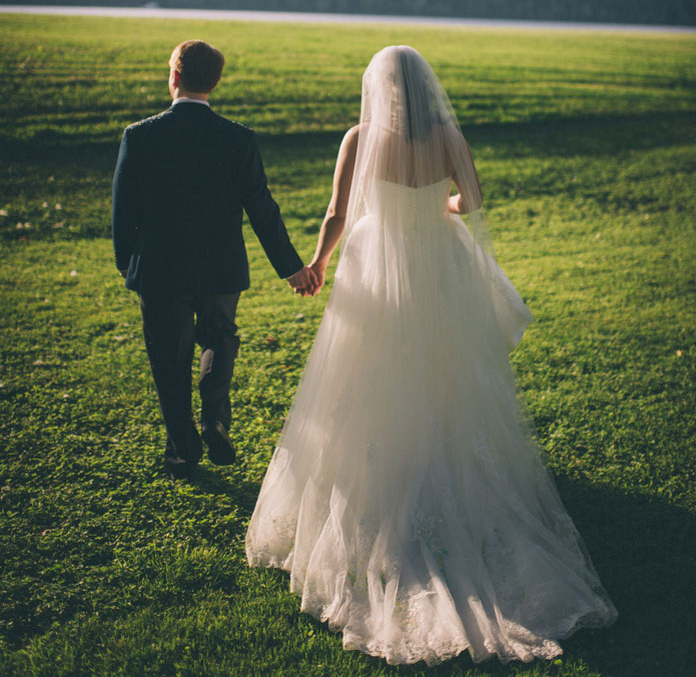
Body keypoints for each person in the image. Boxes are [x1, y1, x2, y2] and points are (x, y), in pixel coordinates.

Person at [246, 45, 617, 666]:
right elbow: (469, 201)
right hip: (437, 263)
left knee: (368, 371)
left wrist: (317, 262)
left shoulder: (359, 136)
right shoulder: (448, 135)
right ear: (426, 89)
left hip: (376, 258)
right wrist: (435, 209)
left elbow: (339, 210)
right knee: (447, 368)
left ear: (379, 90)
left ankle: (385, 472)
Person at [112, 39, 315, 482]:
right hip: (220, 266)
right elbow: (261, 207)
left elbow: (123, 206)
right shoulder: (237, 138)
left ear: (175, 76)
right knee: (219, 338)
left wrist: (126, 261)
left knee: (169, 356)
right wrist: (292, 267)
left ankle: (183, 448)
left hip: (160, 268)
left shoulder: (140, 135)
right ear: (214, 82)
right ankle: (215, 419)